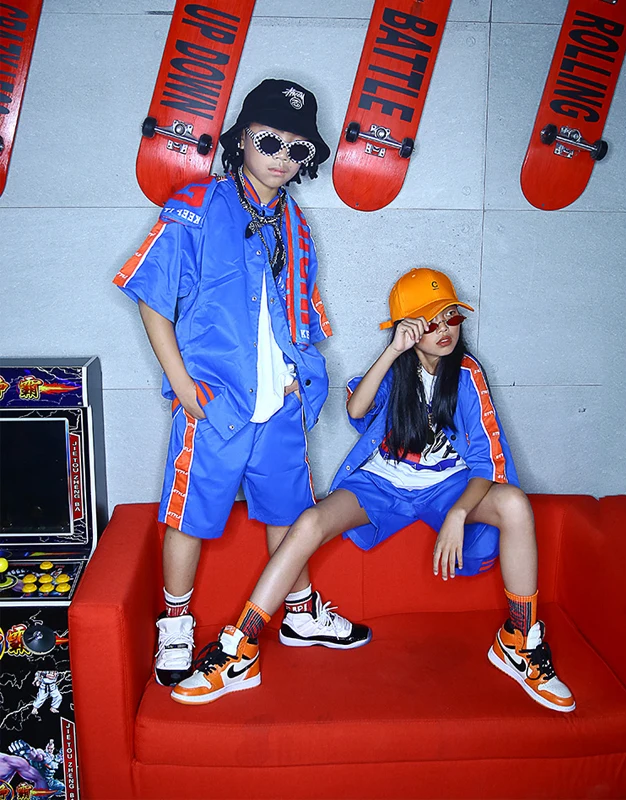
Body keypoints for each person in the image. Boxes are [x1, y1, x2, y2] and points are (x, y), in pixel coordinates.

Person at [172, 268, 575, 712]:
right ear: (408, 328)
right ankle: (239, 647)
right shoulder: (397, 370)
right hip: (381, 485)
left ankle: (519, 640)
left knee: (514, 503)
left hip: (446, 488)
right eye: (430, 321)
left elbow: (484, 465)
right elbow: (356, 408)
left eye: (452, 317)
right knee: (309, 522)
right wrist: (393, 350)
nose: (444, 330)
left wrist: (459, 514)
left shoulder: (467, 374)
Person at [113, 79, 371, 688]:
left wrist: (298, 380)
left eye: (297, 148)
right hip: (215, 403)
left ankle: (300, 613)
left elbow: (302, 307)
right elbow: (152, 297)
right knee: (189, 515)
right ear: (242, 140)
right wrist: (181, 385)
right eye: (269, 141)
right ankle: (175, 624)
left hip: (281, 404)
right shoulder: (195, 206)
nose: (282, 157)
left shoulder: (295, 222)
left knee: (290, 511)